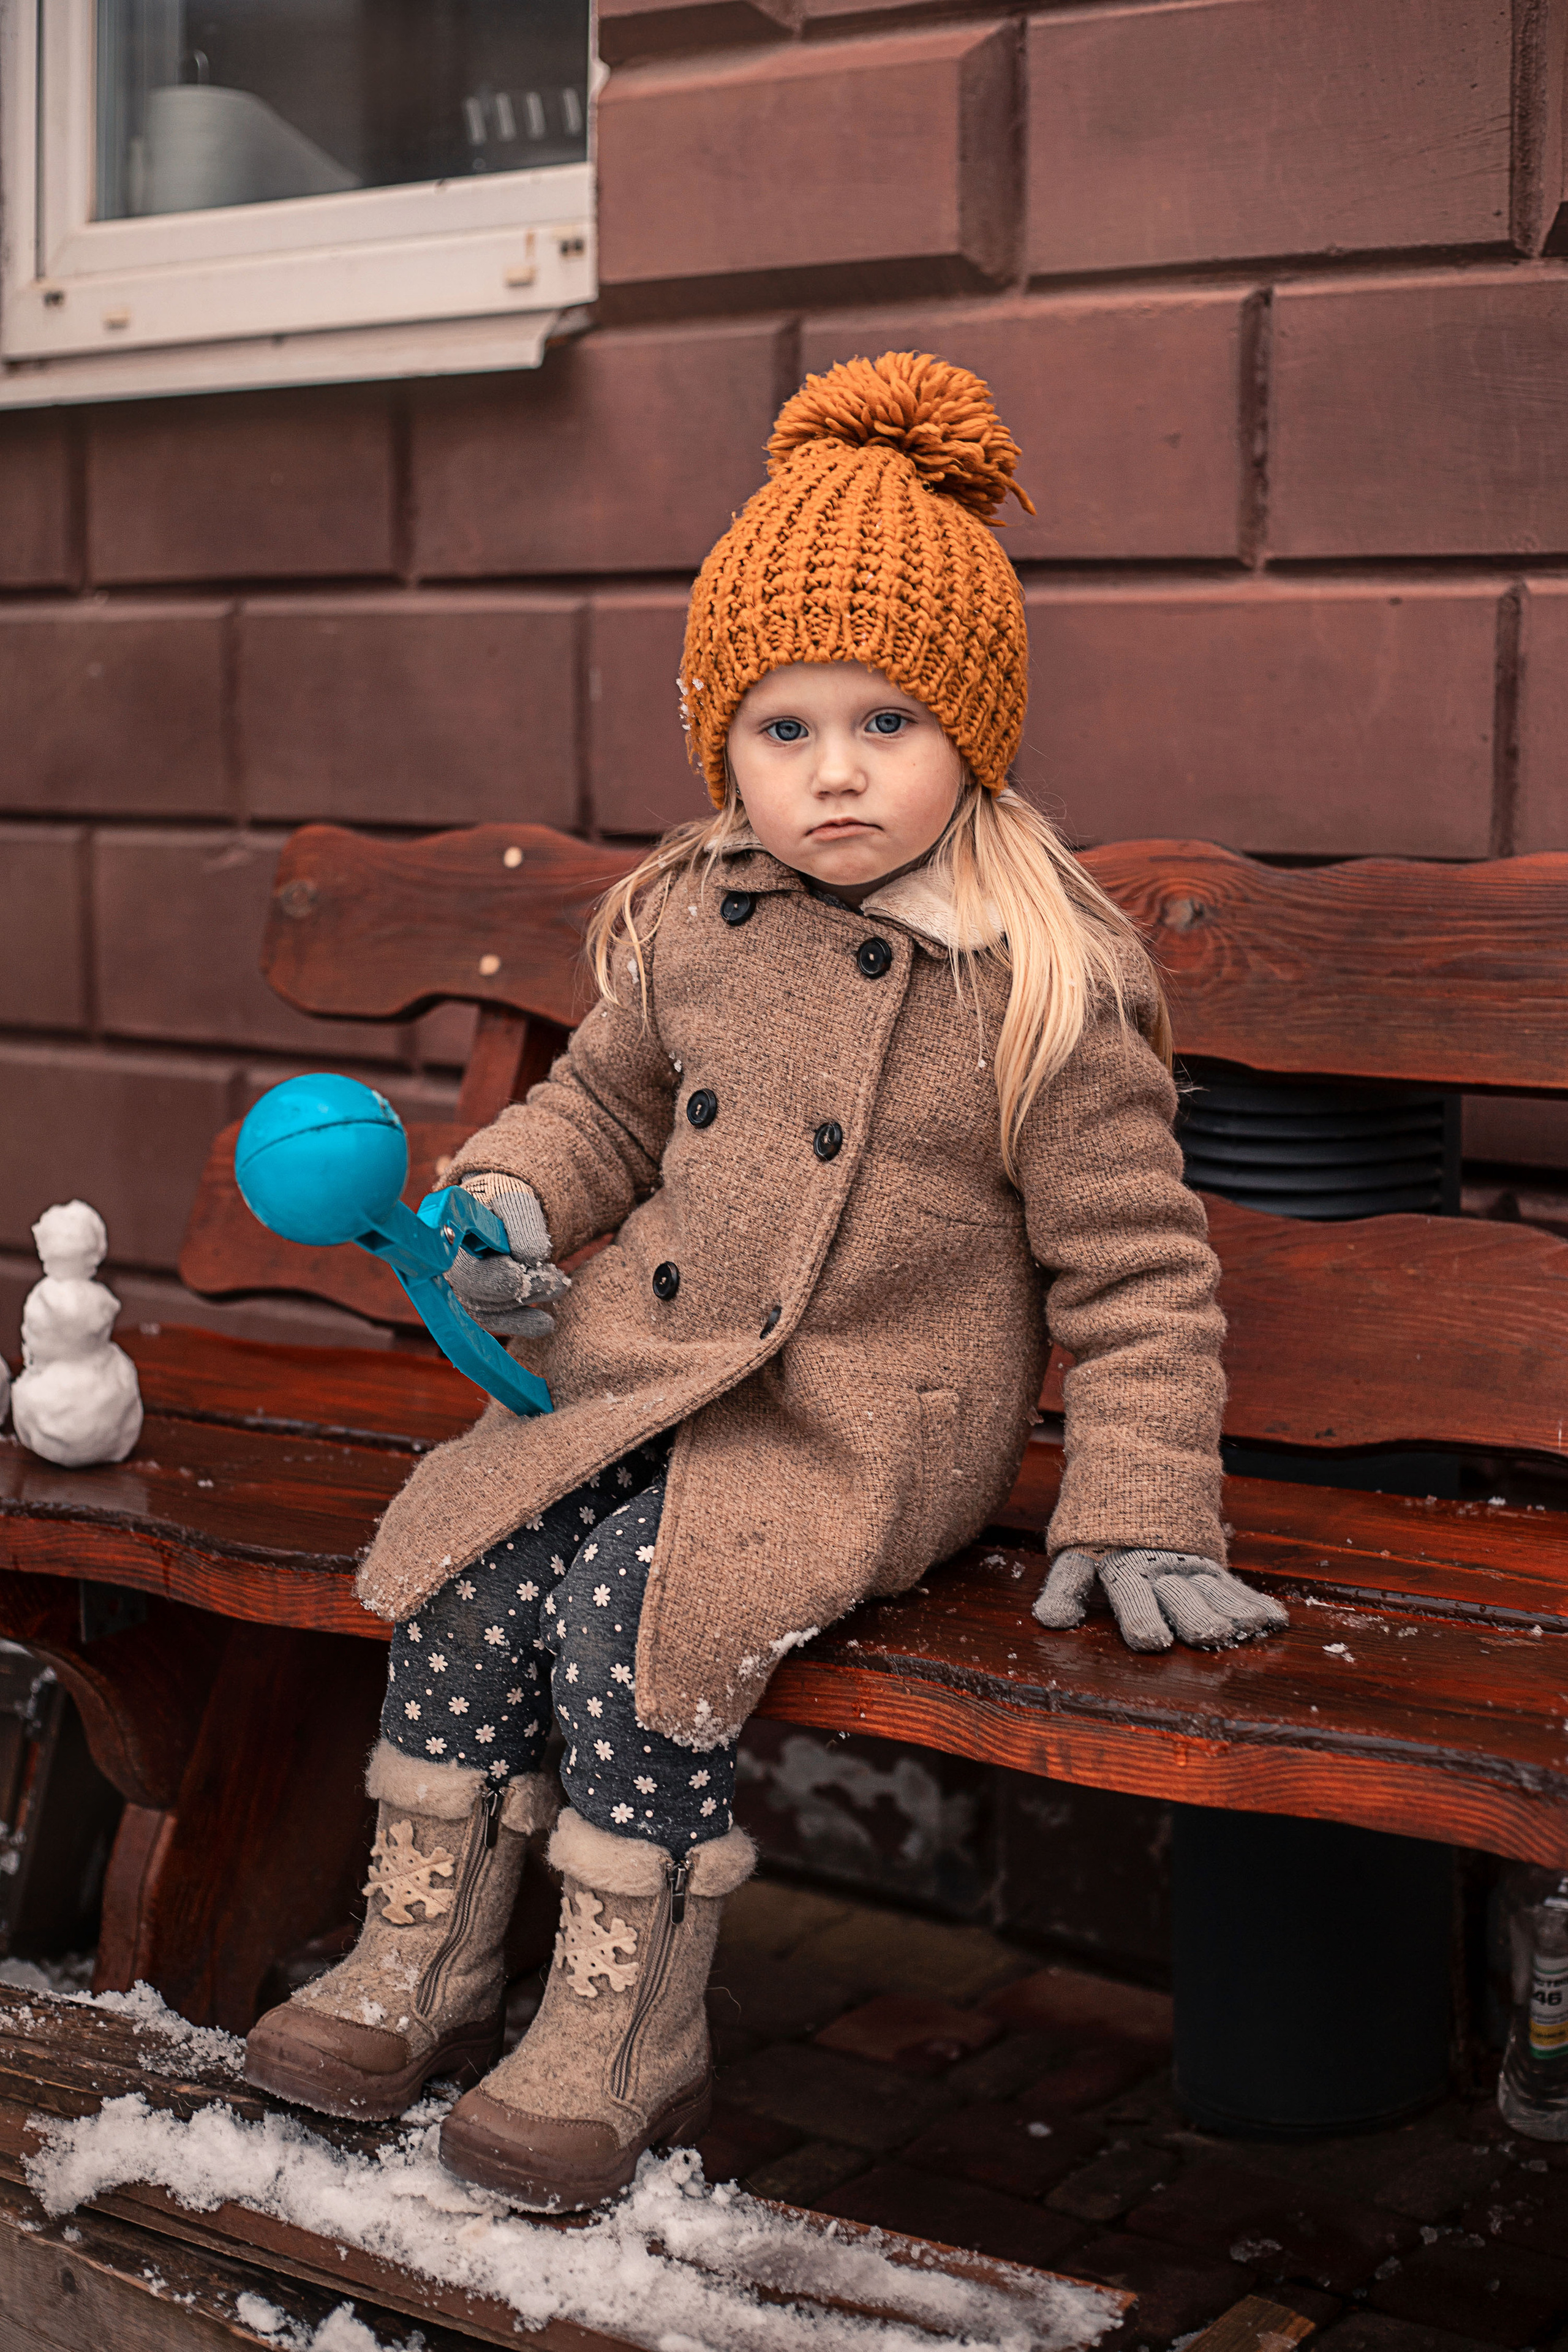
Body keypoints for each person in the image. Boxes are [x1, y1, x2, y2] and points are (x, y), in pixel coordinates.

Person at [243, 350, 1286, 2209]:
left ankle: (621, 2017)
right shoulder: (692, 918)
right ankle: (422, 1948)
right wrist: (503, 1205)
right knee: (473, 1562)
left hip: (868, 1411)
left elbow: (1138, 1270)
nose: (831, 776)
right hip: (648, 1363)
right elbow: (593, 1112)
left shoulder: (1039, 972)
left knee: (639, 1618)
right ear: (723, 739)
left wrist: (1142, 1499)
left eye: (884, 723)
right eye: (784, 728)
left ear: (974, 730)